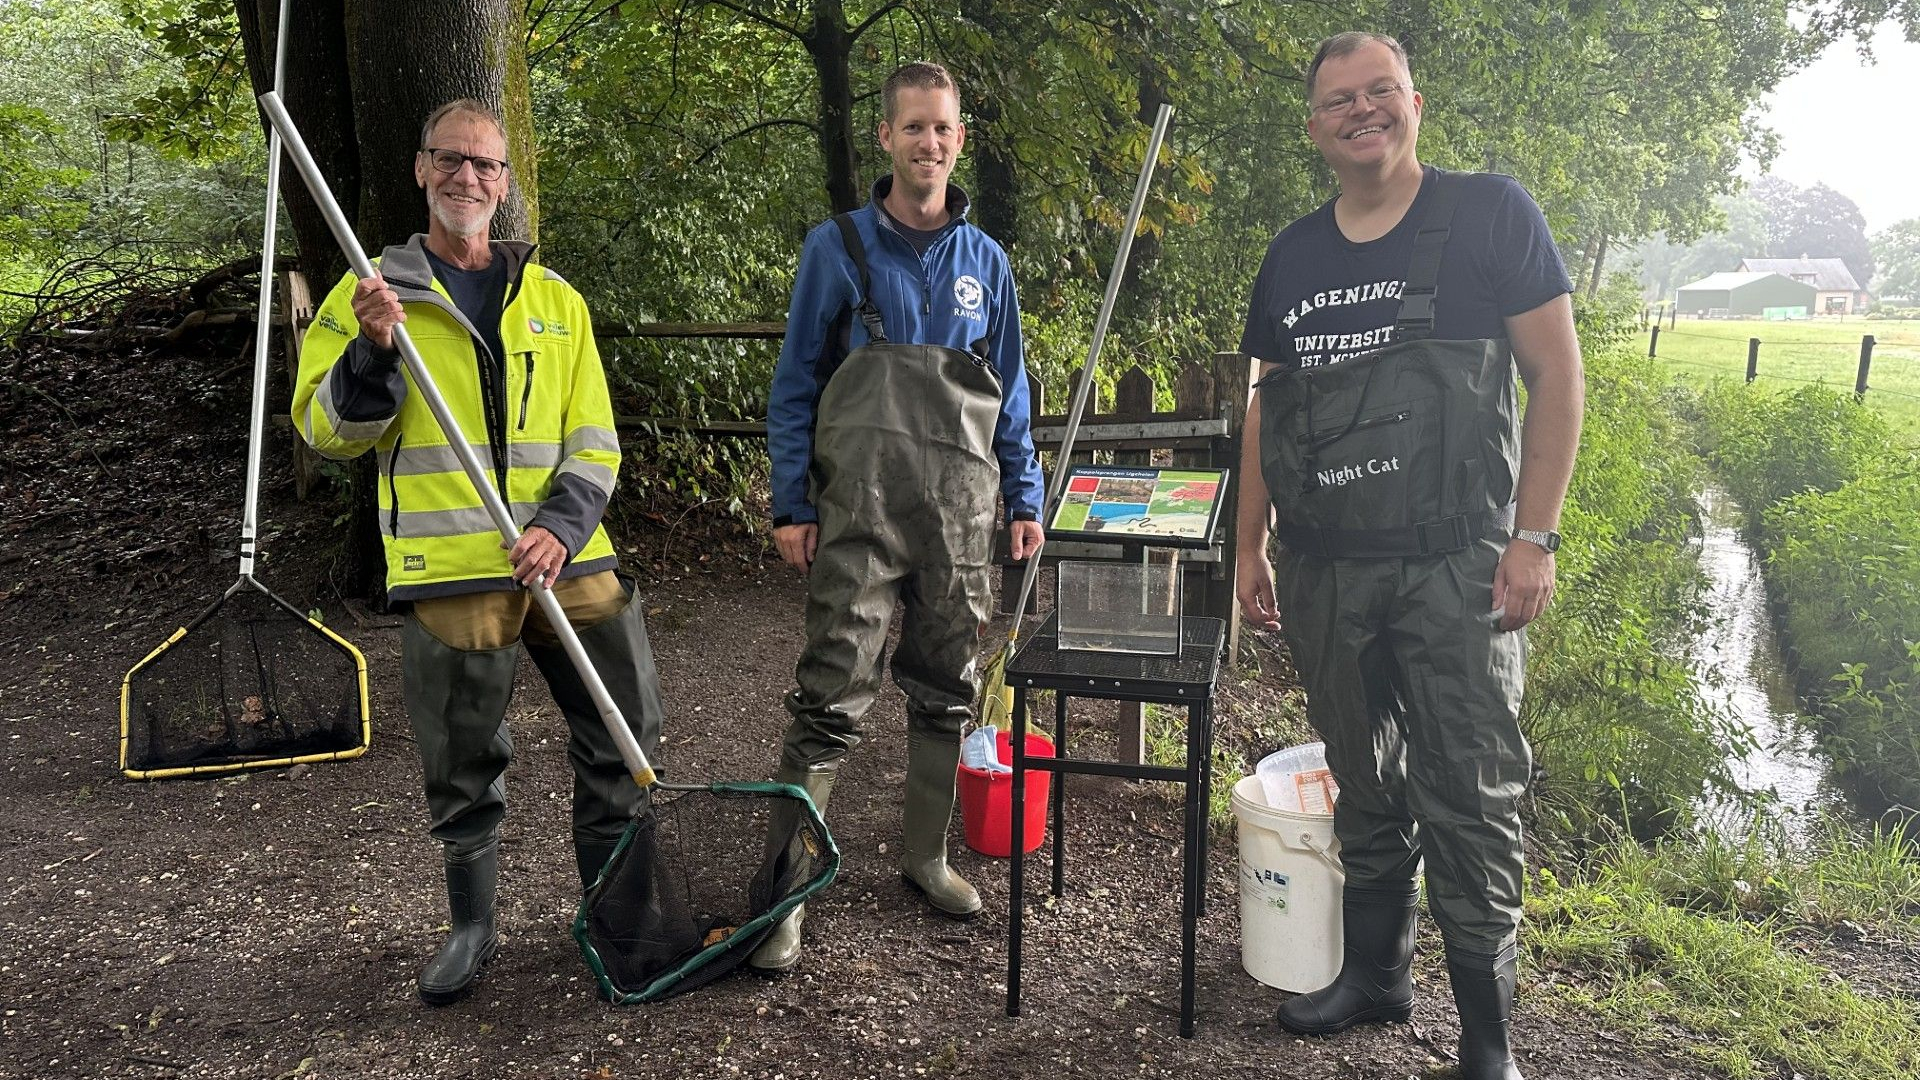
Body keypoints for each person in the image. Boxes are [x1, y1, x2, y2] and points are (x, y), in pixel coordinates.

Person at [1233, 33, 1584, 1080]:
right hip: (1327, 570)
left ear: (1414, 103)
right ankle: (1377, 978)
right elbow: (1266, 410)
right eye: (1339, 100)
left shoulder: (1489, 216)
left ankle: (1488, 1043)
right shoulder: (1292, 255)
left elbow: (1559, 381)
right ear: (1315, 128)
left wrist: (1534, 537)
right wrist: (1249, 542)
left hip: (1457, 567)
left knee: (1470, 795)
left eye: (1379, 92)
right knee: (1362, 776)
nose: (1361, 112)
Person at [293, 98, 666, 1005]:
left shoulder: (555, 301)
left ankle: (617, 920)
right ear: (422, 170)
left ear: (507, 183)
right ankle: (473, 926)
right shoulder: (365, 293)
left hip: (569, 562)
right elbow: (325, 430)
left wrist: (560, 528)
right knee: (462, 760)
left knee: (624, 733)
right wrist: (376, 352)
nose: (468, 177)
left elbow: (596, 440)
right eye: (451, 161)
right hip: (452, 571)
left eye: (487, 165)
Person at [753, 60, 1046, 972]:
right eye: (913, 128)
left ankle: (926, 857)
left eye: (944, 130)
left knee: (946, 682)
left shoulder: (987, 264)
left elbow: (1014, 396)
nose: (929, 144)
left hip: (961, 516)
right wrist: (793, 502)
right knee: (831, 686)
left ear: (961, 141)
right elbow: (797, 382)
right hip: (860, 508)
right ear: (885, 137)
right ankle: (785, 894)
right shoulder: (836, 247)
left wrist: (1024, 494)